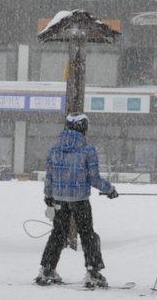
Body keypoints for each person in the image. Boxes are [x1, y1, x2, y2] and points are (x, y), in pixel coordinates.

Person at [34, 113, 119, 287]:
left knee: (58, 234)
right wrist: (109, 189)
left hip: (58, 199)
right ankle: (93, 271)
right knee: (87, 234)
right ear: (84, 128)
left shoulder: (55, 149)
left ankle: (47, 269)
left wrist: (48, 196)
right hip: (80, 199)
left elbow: (49, 176)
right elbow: (94, 178)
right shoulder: (87, 150)